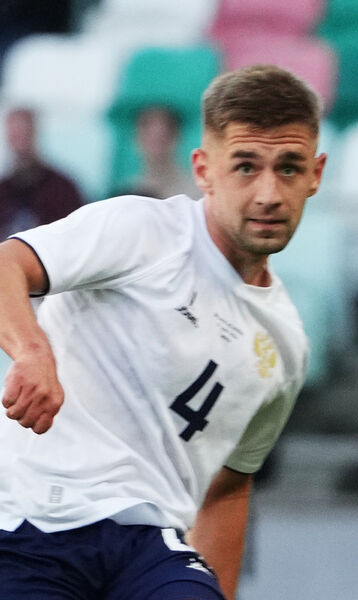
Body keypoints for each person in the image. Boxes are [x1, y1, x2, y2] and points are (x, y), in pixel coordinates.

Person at [0, 64, 326, 600]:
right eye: (246, 166)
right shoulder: (139, 230)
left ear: (316, 174)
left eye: (288, 168)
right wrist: (33, 352)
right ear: (203, 170)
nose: (268, 193)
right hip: (27, 523)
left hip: (149, 548)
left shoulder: (286, 345)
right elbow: (7, 264)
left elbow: (227, 489)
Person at [0, 107, 85, 240]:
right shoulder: (4, 191)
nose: (20, 143)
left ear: (34, 134)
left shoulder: (61, 189)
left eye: (24, 134)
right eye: (15, 136)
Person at [118, 105, 199, 199]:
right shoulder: (127, 192)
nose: (157, 131)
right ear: (135, 136)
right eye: (146, 125)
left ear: (178, 136)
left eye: (167, 126)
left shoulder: (199, 192)